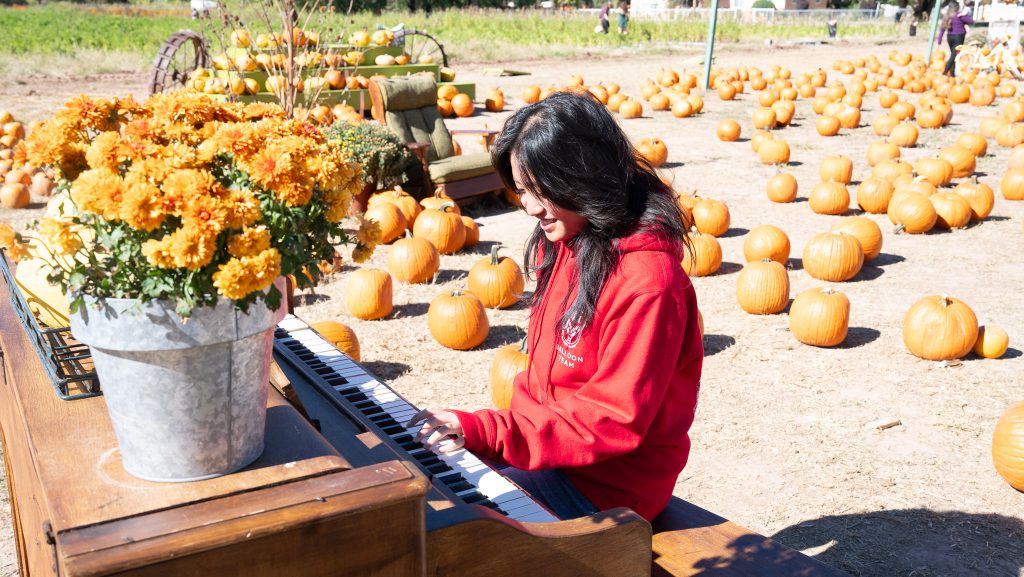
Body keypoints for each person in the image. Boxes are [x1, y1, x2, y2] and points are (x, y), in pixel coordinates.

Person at [407, 91, 704, 523]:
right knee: (416, 488)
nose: (527, 206)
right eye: (521, 190)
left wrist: (490, 431)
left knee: (449, 527)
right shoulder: (569, 237)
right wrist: (489, 435)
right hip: (552, 452)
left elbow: (610, 421)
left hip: (608, 486)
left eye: (537, 190)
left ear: (583, 178)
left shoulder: (650, 285)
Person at [939, 0, 974, 76]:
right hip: (959, 37)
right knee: (954, 56)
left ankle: (952, 75)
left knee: (953, 55)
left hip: (950, 37)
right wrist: (965, 14)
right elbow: (971, 21)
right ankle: (944, 72)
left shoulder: (947, 16)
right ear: (957, 7)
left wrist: (939, 40)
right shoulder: (959, 15)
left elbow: (942, 29)